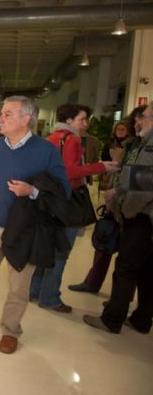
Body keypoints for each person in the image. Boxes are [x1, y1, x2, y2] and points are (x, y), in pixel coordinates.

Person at [0, 96, 70, 354]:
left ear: (26, 119)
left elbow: (63, 191)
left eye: (7, 114)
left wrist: (32, 191)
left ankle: (10, 330)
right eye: (2, 114)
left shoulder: (46, 151)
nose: (0, 119)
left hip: (25, 231)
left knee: (19, 287)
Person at [29, 104, 118, 312]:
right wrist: (101, 167)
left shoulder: (51, 138)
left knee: (47, 247)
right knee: (61, 251)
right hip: (67, 201)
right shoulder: (73, 140)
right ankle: (50, 297)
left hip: (48, 199)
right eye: (82, 119)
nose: (85, 124)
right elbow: (70, 171)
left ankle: (34, 291)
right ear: (69, 120)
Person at [84, 102, 153, 334]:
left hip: (142, 218)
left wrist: (126, 212)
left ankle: (112, 319)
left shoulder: (149, 148)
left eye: (143, 116)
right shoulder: (143, 144)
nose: (138, 121)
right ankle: (142, 319)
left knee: (126, 268)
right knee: (146, 271)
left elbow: (141, 190)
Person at [69, 106, 144, 294]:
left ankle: (121, 299)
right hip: (116, 200)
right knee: (104, 243)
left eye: (141, 119)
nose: (137, 124)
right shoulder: (130, 145)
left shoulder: (143, 147)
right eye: (135, 121)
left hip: (134, 206)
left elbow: (137, 179)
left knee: (128, 255)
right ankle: (93, 283)